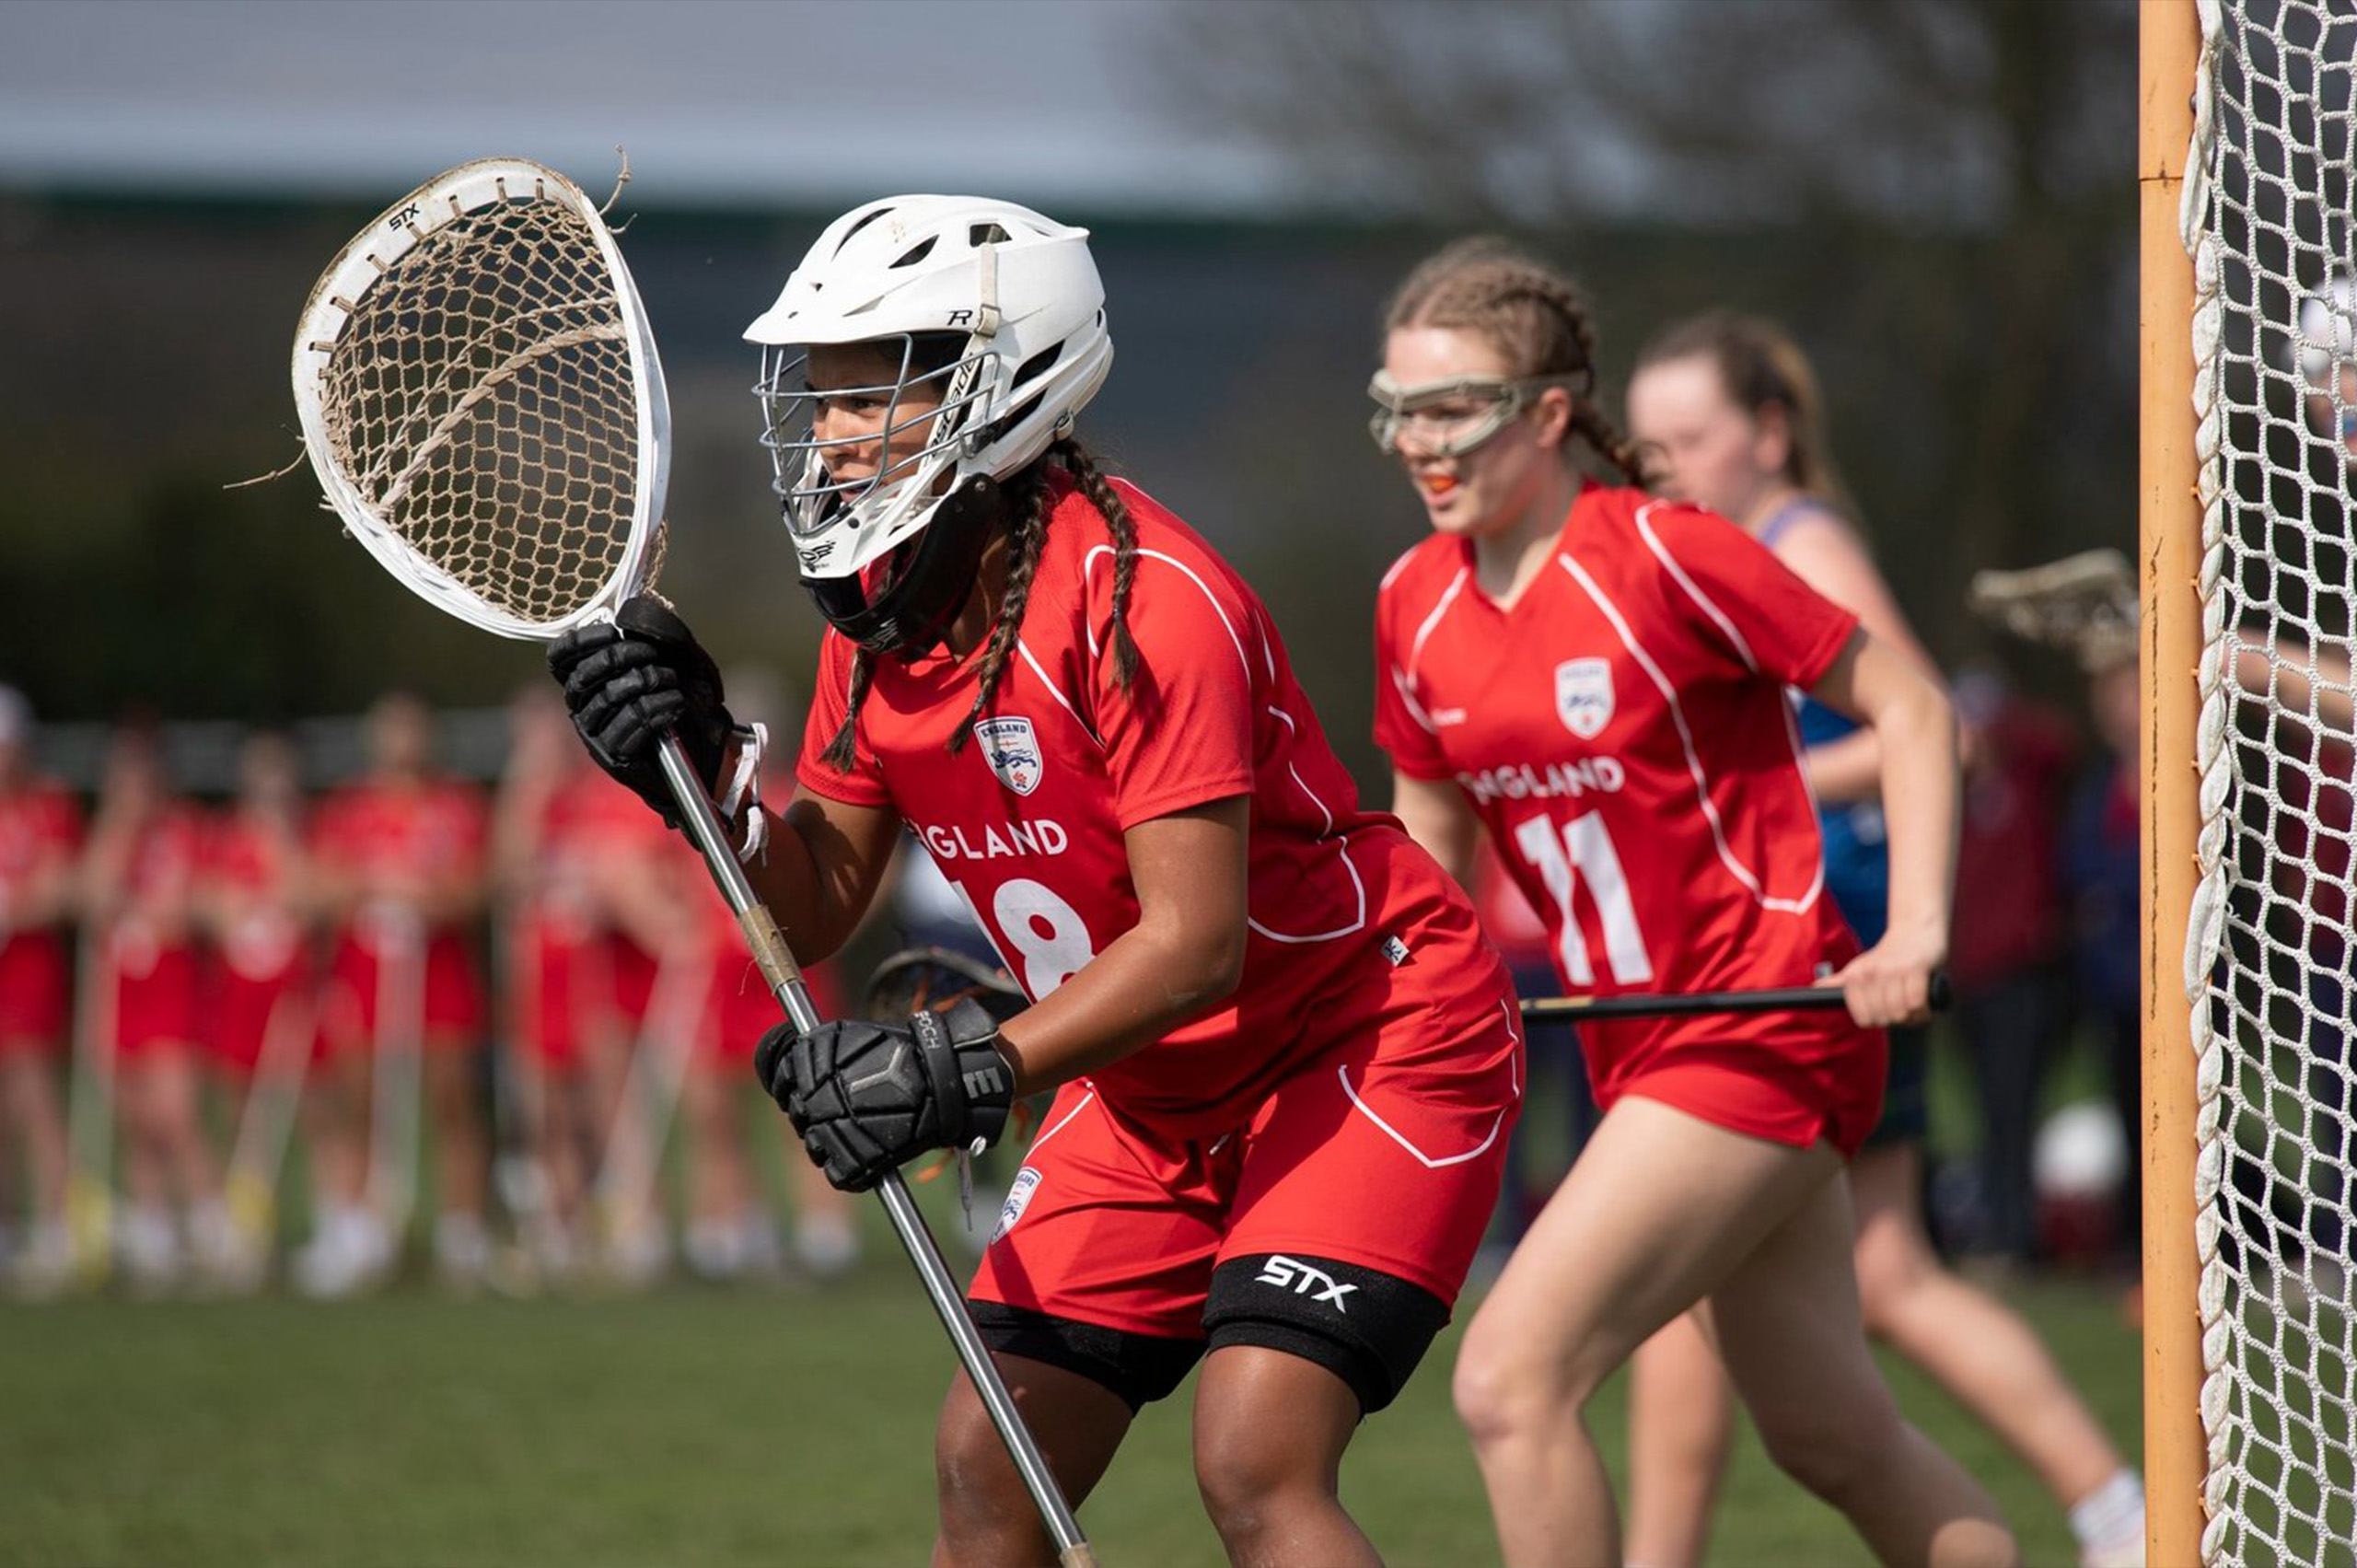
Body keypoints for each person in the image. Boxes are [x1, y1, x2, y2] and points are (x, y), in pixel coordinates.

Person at [550, 195, 1522, 1566]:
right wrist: (701, 786)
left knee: (1256, 1455)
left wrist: (961, 1069)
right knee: (986, 1463)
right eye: (819, 399)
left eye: (866, 395)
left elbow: (1194, 946)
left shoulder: (1149, 599)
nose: (827, 435)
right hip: (1152, 1089)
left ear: (1002, 383)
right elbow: (818, 894)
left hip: (1358, 1044)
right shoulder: (880, 616)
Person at [1368, 243, 2012, 1567]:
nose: (1420, 446)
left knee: (1510, 1374)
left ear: (1549, 413)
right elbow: (1429, 849)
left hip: (1762, 1025)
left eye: (1454, 413)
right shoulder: (1411, 602)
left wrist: (1918, 931)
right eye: (1399, 410)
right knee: (1833, 1437)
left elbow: (1914, 707)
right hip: (1631, 1050)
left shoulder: (1668, 552)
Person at [1620, 309, 2142, 1567]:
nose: (1665, 465)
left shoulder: (1804, 539)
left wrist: (1743, 798)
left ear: (1769, 430)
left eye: (1689, 437)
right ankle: (2114, 1508)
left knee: (1696, 1283)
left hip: (1832, 947)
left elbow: (1935, 726)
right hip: (1791, 948)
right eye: (1643, 446)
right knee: (1858, 1275)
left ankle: (2112, 1505)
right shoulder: (1717, 544)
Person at [302, 691, 492, 1295]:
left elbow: (472, 889)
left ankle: (464, 1234)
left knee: (451, 1100)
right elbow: (323, 889)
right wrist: (371, 881)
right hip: (367, 973)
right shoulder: (348, 807)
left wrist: (423, 896)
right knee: (361, 1100)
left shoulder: (453, 803)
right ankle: (359, 1229)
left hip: (437, 971)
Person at [78, 719, 239, 1291]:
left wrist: (164, 911)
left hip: (174, 986)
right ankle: (154, 1230)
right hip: (123, 988)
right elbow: (95, 900)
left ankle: (213, 1224)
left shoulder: (188, 826)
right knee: (135, 1117)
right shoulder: (112, 833)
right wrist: (121, 827)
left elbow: (199, 904)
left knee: (178, 1113)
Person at [200, 726, 319, 1286]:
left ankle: (335, 1222)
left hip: (296, 991)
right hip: (242, 992)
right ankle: (247, 1222)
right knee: (239, 1112)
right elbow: (213, 904)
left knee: (318, 1110)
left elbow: (312, 895)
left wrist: (280, 843)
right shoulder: (226, 836)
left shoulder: (307, 833)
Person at [0, 686, 81, 1296]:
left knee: (35, 1099)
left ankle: (57, 1227)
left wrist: (12, 906)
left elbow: (57, 888)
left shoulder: (48, 804)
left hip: (27, 973)